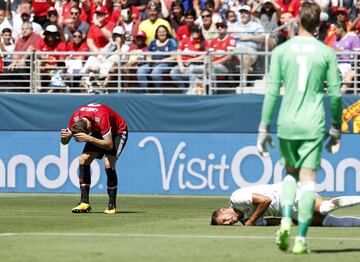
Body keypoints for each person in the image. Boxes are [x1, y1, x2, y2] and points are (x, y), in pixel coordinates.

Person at [256, 1, 343, 254]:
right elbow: (336, 96)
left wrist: (263, 127)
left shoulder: (282, 51)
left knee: (290, 176)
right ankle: (301, 239)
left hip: (287, 123)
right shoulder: (326, 53)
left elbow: (271, 92)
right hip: (312, 124)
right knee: (308, 182)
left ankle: (284, 221)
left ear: (297, 20)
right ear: (318, 23)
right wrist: (336, 127)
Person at [60, 103, 128, 214]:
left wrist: (89, 138)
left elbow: (109, 144)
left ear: (88, 128)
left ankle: (112, 205)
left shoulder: (101, 117)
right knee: (83, 160)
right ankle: (84, 203)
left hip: (117, 131)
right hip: (97, 132)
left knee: (108, 164)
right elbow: (64, 142)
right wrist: (63, 138)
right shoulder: (76, 118)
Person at [211, 183, 360, 227]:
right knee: (332, 223)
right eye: (226, 225)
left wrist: (251, 220)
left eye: (224, 219)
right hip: (290, 212)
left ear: (223, 210)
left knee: (324, 207)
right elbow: (270, 221)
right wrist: (290, 222)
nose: (229, 222)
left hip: (291, 194)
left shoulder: (237, 198)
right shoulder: (245, 221)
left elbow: (265, 200)